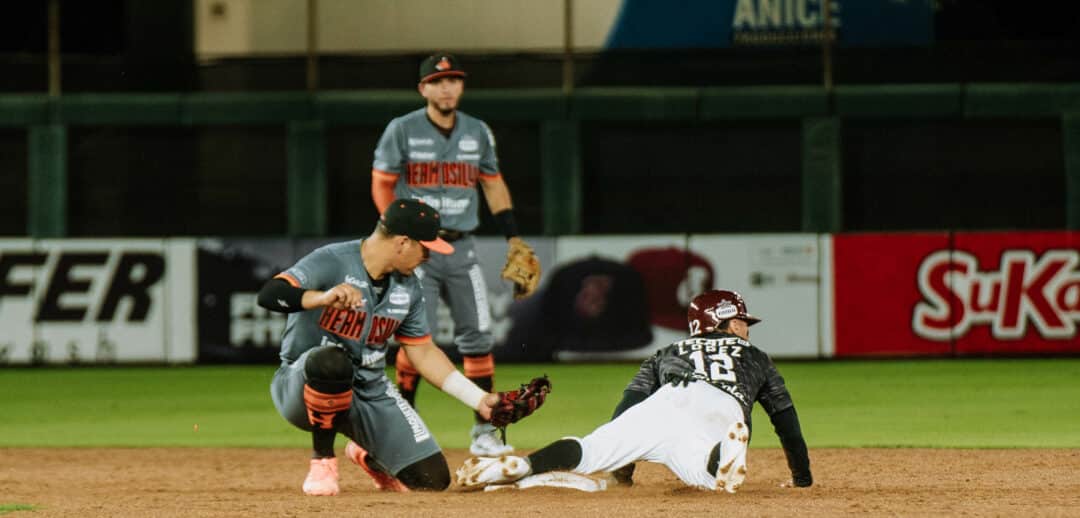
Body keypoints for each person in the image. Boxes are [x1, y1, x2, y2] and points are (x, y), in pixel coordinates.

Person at [259, 199, 505, 496]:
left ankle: (367, 454)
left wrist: (479, 400)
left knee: (431, 480)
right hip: (302, 386)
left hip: (371, 392)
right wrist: (319, 298)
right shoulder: (332, 260)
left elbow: (423, 353)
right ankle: (322, 462)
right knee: (332, 361)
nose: (428, 256)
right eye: (425, 247)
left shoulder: (409, 286)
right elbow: (271, 294)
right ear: (402, 242)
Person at [457, 289, 813, 493]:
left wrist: (622, 464)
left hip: (664, 403)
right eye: (741, 321)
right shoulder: (756, 356)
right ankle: (723, 454)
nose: (745, 328)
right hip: (721, 409)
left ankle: (524, 463)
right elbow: (786, 420)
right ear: (726, 321)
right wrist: (801, 479)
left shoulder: (668, 352)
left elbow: (631, 403)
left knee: (589, 448)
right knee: (706, 478)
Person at [370, 52, 539, 456]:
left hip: (462, 245)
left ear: (461, 86)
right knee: (415, 339)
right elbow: (382, 183)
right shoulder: (402, 129)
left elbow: (493, 185)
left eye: (453, 80)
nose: (446, 87)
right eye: (437, 81)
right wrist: (395, 232)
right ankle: (403, 429)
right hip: (418, 250)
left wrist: (513, 237)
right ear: (423, 88)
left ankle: (483, 433)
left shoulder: (477, 131)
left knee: (478, 337)